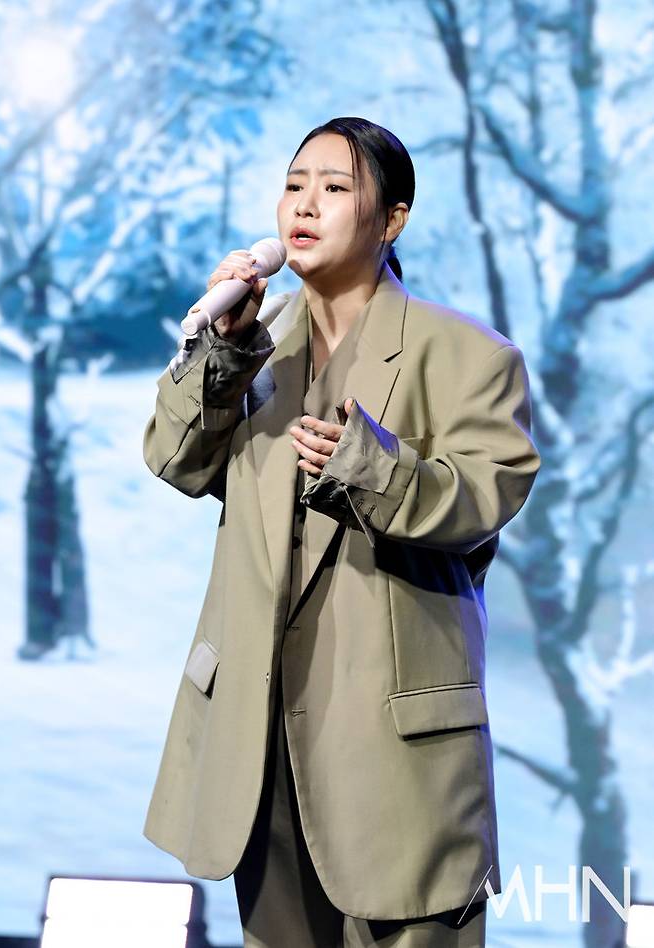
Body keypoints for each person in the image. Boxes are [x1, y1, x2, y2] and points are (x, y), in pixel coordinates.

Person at [142, 117, 541, 947]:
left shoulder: (468, 353)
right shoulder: (256, 346)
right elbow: (175, 460)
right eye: (294, 185)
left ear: (392, 219)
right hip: (256, 743)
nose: (305, 204)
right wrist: (223, 353)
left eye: (333, 187)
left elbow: (488, 494)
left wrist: (374, 467)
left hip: (393, 750)